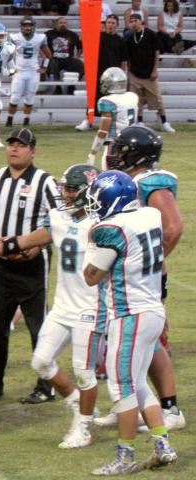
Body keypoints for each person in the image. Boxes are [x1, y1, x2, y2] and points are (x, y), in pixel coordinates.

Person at [0, 164, 104, 446]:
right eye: (65, 188)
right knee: (41, 361)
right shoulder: (60, 219)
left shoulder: (103, 225)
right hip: (64, 306)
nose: (65, 194)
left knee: (85, 372)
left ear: (89, 192)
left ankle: (84, 427)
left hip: (92, 308)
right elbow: (25, 241)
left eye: (72, 189)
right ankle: (79, 404)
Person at [83, 170, 177, 475]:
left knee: (121, 385)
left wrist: (89, 243)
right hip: (152, 311)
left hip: (129, 314)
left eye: (98, 199)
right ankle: (163, 444)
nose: (95, 206)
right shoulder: (148, 214)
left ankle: (125, 455)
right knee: (136, 382)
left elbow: (90, 276)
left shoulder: (111, 228)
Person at [100, 125, 185, 432]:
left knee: (150, 343)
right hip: (123, 278)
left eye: (121, 150)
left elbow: (173, 228)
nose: (115, 154)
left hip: (142, 281)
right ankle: (127, 404)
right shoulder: (130, 181)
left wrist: (151, 262)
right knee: (124, 342)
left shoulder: (150, 182)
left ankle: (170, 408)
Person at [0, 128, 58, 404]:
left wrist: (35, 247)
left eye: (21, 145)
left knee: (38, 326)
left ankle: (46, 386)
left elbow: (58, 222)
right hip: (0, 264)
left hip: (31, 265)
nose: (14, 149)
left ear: (33, 151)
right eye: (11, 144)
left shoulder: (45, 182)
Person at [76, 14, 128, 132]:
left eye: (113, 23)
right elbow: (84, 44)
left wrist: (122, 75)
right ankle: (88, 121)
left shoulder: (121, 41)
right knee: (93, 98)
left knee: (112, 100)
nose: (110, 25)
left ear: (117, 25)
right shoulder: (98, 37)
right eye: (108, 23)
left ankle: (111, 124)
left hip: (114, 76)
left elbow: (123, 60)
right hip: (98, 72)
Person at [126, 14, 175, 133]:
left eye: (135, 20)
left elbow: (157, 53)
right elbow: (127, 56)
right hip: (134, 73)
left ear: (141, 21)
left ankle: (164, 122)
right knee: (135, 100)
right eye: (131, 21)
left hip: (149, 73)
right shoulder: (128, 36)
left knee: (157, 98)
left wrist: (155, 70)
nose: (133, 23)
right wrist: (129, 71)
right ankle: (139, 121)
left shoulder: (150, 34)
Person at [86, 67, 138, 170]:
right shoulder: (132, 96)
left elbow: (103, 131)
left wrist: (93, 153)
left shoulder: (107, 101)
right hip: (133, 144)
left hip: (115, 145)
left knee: (110, 178)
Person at [6, 16, 51, 128]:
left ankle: (26, 120)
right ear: (21, 27)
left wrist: (44, 68)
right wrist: (11, 69)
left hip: (33, 71)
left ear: (33, 27)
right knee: (15, 97)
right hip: (19, 71)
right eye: (25, 25)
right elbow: (7, 55)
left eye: (29, 25)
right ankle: (9, 120)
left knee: (30, 97)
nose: (27, 28)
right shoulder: (14, 37)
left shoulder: (40, 38)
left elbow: (48, 55)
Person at [46, 17, 84, 95]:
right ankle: (57, 87)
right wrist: (46, 56)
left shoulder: (72, 34)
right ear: (56, 24)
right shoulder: (48, 34)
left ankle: (72, 86)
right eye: (61, 23)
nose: (63, 25)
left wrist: (77, 56)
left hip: (69, 59)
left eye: (64, 23)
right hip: (54, 59)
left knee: (80, 65)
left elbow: (80, 47)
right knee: (51, 64)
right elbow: (42, 46)